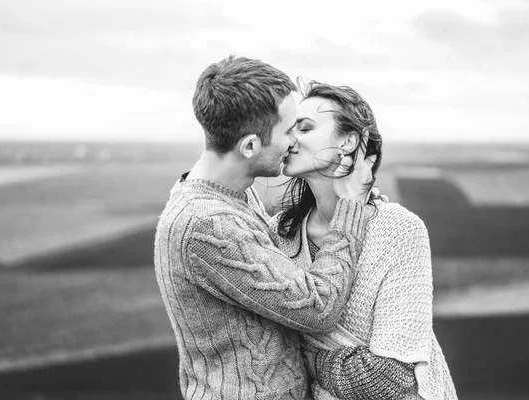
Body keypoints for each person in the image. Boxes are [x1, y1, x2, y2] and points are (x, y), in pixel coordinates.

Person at [154, 56, 376, 399]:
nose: (293, 142)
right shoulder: (206, 224)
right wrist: (350, 210)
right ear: (250, 146)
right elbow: (318, 308)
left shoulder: (231, 198)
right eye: (288, 131)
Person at [270, 81, 458, 399]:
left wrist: (311, 363)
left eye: (304, 128)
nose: (290, 140)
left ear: (348, 140)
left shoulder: (399, 231)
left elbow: (392, 379)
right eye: (289, 129)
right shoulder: (280, 234)